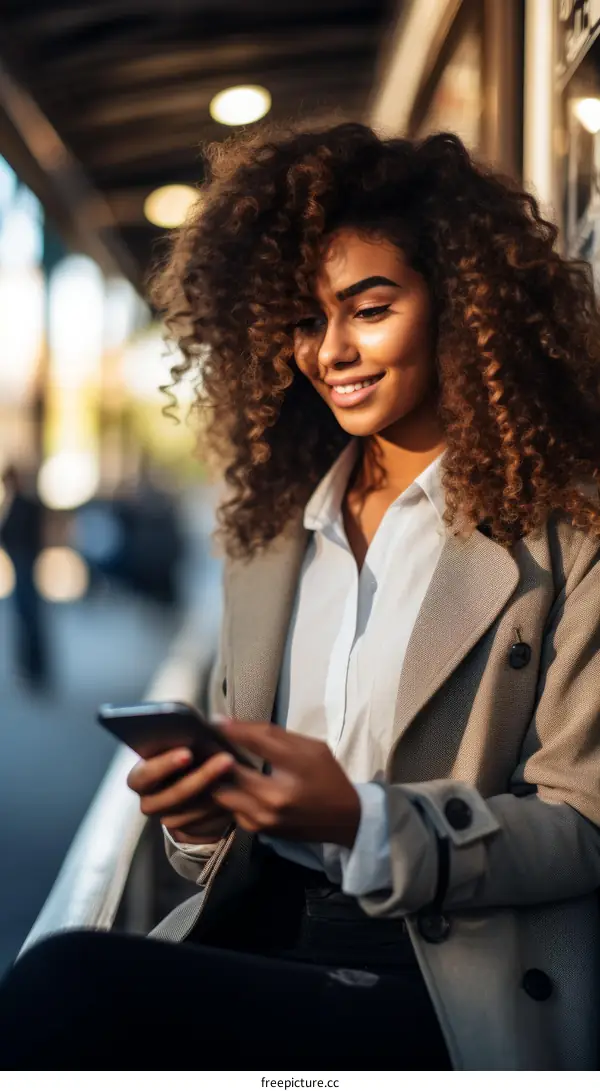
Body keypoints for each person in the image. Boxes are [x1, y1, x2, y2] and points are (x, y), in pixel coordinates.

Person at [1, 123, 600, 1071]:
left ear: (462, 304)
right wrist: (201, 823)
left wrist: (364, 821)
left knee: (62, 989)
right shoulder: (273, 537)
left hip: (446, 972)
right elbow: (225, 851)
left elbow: (586, 825)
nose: (331, 352)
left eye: (371, 309)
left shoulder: (568, 530)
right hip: (267, 931)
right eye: (303, 322)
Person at [0, 464, 50, 689]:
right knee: (26, 618)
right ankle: (30, 668)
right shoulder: (19, 503)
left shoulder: (24, 505)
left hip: (25, 566)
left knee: (28, 618)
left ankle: (34, 668)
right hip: (22, 566)